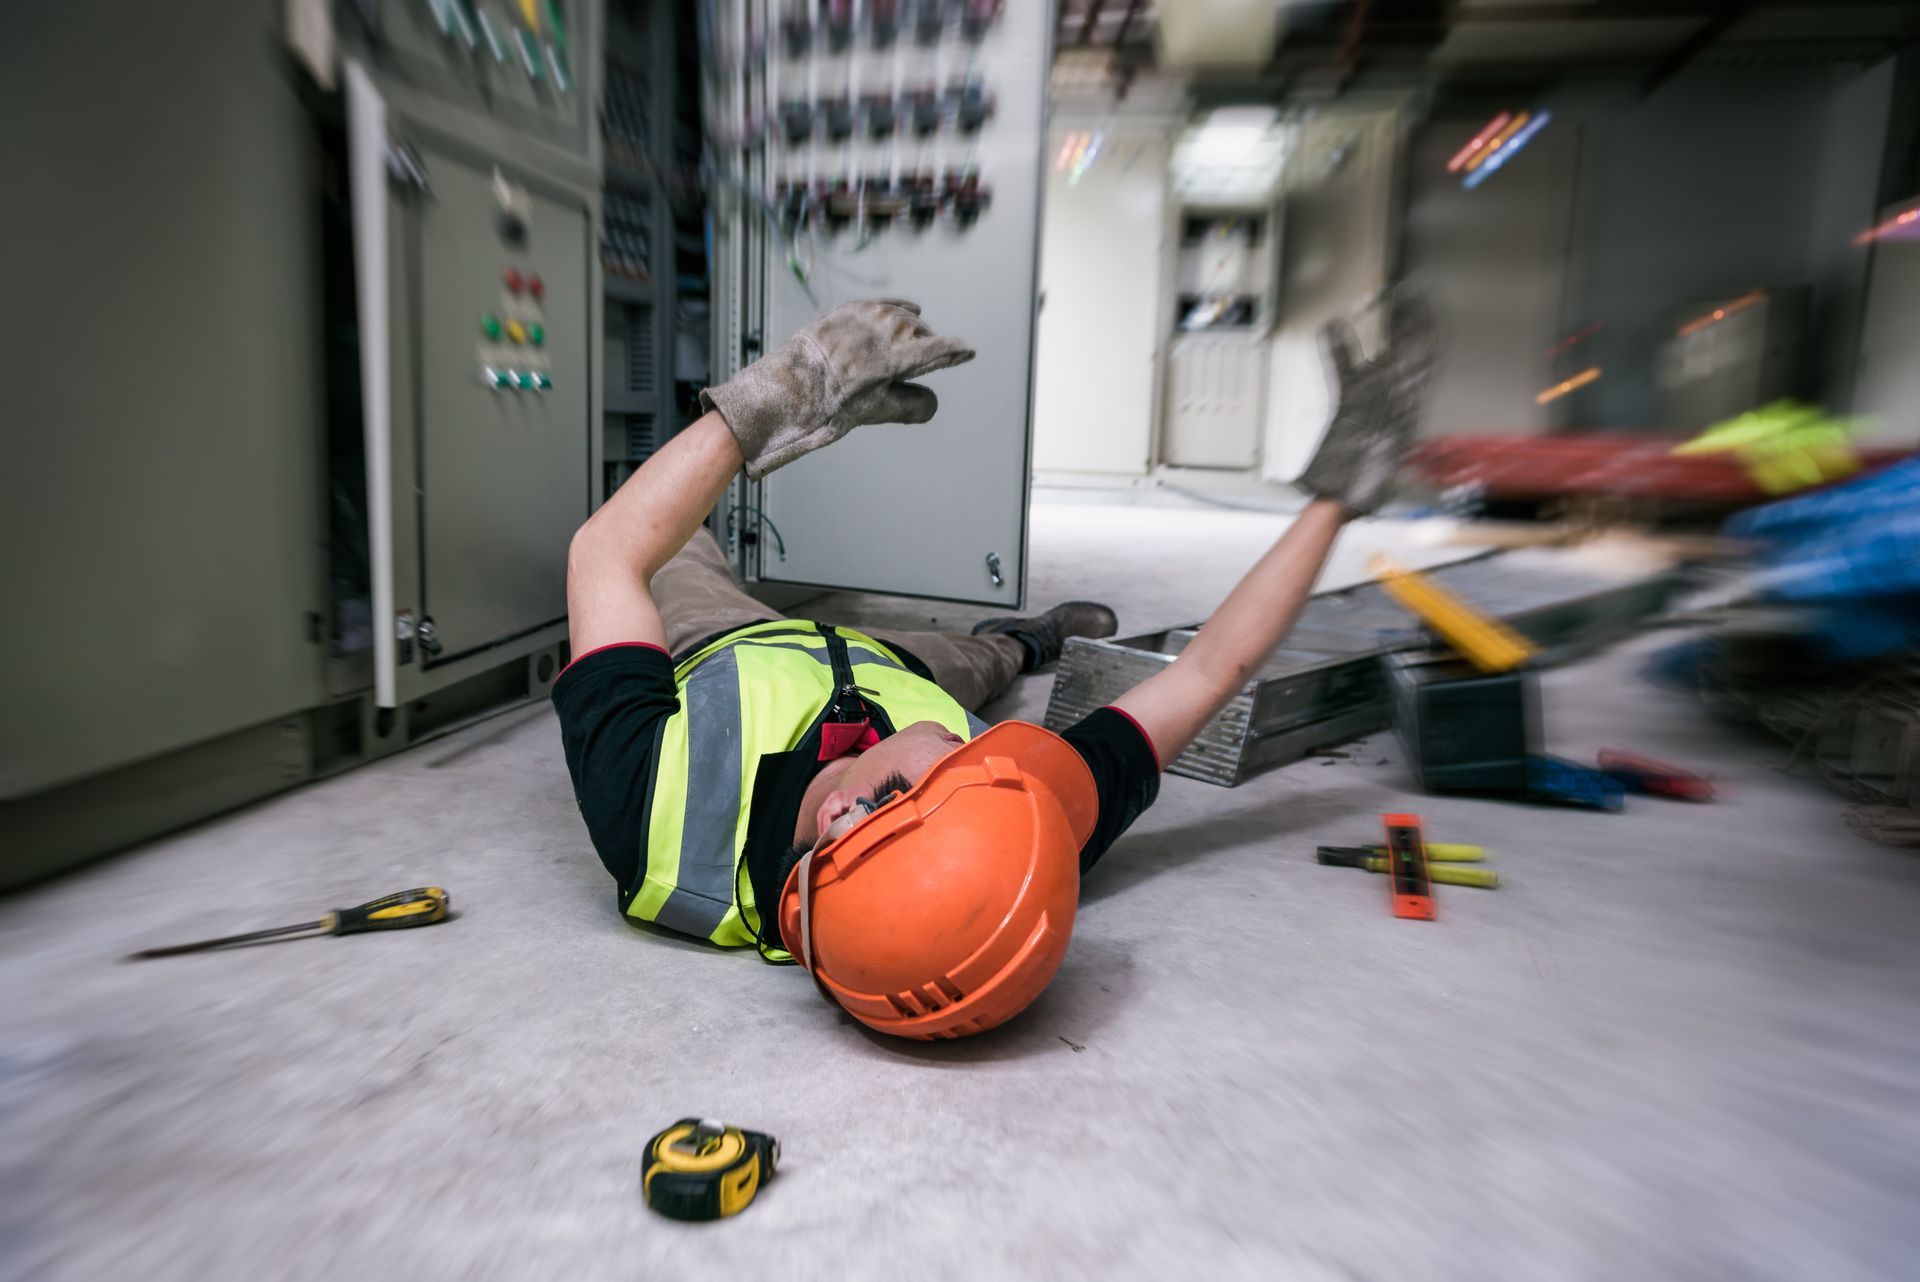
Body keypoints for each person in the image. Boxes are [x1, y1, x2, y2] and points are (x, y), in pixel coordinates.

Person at [556, 296, 1437, 1040]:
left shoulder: (648, 812)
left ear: (841, 812)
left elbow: (603, 555)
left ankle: (1000, 640)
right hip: (901, 665)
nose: (970, 747)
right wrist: (1338, 497)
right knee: (978, 664)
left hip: (725, 651)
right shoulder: (1010, 844)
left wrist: (779, 397)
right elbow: (1208, 672)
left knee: (663, 545)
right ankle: (1028, 637)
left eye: (946, 767)